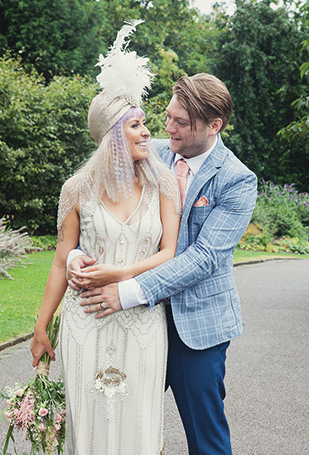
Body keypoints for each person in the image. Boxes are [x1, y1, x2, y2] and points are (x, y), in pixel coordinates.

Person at [68, 72, 258, 454]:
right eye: (168, 116)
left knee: (207, 441)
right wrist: (75, 253)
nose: (167, 127)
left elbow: (203, 258)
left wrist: (128, 290)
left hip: (197, 329)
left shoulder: (238, 180)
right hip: (134, 325)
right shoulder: (148, 149)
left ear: (214, 125)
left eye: (181, 122)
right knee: (119, 426)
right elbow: (92, 201)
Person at [31, 20, 181, 454]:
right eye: (136, 125)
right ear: (113, 135)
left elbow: (169, 253)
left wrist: (119, 272)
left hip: (142, 324)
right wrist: (41, 327)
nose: (148, 132)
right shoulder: (76, 190)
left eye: (146, 123)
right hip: (85, 324)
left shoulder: (164, 185)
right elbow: (61, 260)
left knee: (140, 426)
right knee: (91, 431)